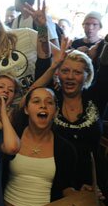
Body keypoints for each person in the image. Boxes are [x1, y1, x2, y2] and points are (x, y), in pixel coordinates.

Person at [29, 45, 108, 196]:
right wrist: (42, 26)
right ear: (58, 73)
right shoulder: (50, 98)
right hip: (53, 182)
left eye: (77, 72)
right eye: (65, 71)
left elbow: (105, 69)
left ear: (87, 75)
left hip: (92, 181)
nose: (70, 76)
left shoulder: (96, 96)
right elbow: (41, 67)